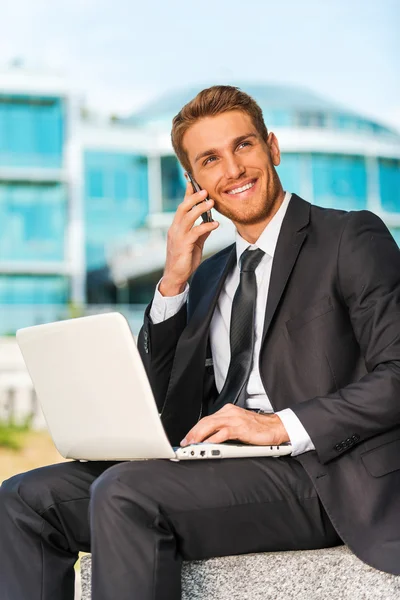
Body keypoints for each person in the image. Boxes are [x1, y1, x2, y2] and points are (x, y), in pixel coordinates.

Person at [1, 85, 400, 600]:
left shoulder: (349, 237)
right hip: (219, 466)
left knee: (126, 494)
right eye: (210, 159)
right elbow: (162, 405)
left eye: (244, 146)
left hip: (319, 472)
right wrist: (172, 284)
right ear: (194, 184)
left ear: (272, 149)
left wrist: (276, 425)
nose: (232, 170)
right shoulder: (209, 274)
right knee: (24, 498)